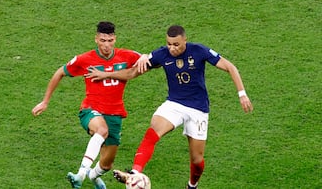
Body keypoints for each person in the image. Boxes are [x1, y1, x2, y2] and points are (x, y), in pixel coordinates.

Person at [86, 25, 253, 189]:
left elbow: (230, 67)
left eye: (176, 45)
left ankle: (192, 185)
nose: (172, 48)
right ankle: (135, 173)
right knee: (153, 131)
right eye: (169, 44)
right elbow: (132, 73)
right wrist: (107, 73)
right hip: (174, 104)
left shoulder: (199, 51)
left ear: (185, 41)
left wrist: (242, 94)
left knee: (197, 160)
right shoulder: (162, 54)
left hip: (198, 109)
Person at [31, 21, 141, 189]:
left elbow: (151, 60)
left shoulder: (127, 56)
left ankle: (93, 176)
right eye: (103, 40)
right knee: (101, 130)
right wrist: (45, 101)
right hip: (91, 110)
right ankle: (80, 175)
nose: (106, 45)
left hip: (115, 114)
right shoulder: (85, 59)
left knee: (106, 164)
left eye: (110, 40)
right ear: (96, 39)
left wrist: (149, 57)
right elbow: (60, 72)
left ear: (115, 39)